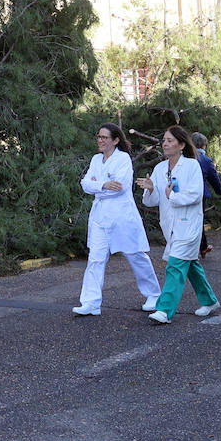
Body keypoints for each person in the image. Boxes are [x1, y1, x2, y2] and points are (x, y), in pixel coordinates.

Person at [74, 123, 162, 316]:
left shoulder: (123, 159)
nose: (100, 140)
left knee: (136, 255)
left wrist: (98, 185)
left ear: (115, 140)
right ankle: (91, 302)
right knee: (95, 259)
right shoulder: (96, 159)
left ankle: (154, 294)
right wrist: (104, 184)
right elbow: (85, 184)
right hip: (99, 218)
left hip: (122, 217)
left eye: (104, 137)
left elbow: (120, 187)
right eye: (99, 137)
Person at [140, 126, 219, 324]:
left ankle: (164, 310)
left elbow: (195, 195)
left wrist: (172, 196)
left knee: (175, 265)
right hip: (171, 226)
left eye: (170, 141)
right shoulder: (160, 168)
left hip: (189, 225)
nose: (165, 144)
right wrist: (151, 189)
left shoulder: (192, 166)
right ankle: (209, 301)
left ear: (181, 145)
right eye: (164, 140)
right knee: (190, 264)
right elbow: (152, 201)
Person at [192, 132, 221, 256]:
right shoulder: (205, 160)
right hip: (200, 194)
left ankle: (201, 246)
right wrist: (219, 191)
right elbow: (214, 178)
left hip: (183, 193)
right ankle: (201, 247)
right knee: (199, 220)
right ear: (203, 145)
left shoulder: (184, 158)